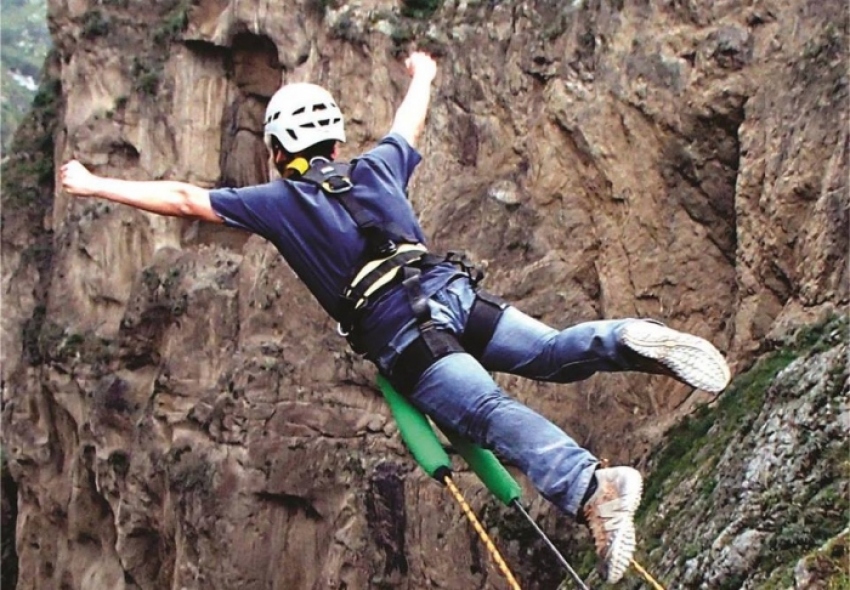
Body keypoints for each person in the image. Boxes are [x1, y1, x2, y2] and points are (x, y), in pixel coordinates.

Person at [61, 51, 731, 584]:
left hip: (404, 333)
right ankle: (622, 338)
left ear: (276, 149)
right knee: (555, 352)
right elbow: (407, 124)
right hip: (455, 291)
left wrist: (94, 183)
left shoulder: (278, 201)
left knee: (486, 414)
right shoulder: (378, 167)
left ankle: (591, 487)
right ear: (334, 135)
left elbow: (184, 198)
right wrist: (424, 75)